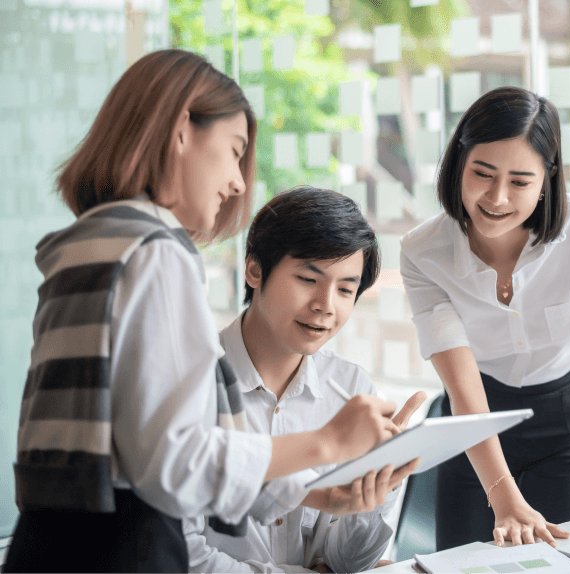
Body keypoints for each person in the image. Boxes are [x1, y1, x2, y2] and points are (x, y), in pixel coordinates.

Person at [6, 50, 400, 573]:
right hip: (126, 551)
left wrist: (317, 496)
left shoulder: (87, 246)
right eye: (235, 151)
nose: (239, 182)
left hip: (50, 544)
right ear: (182, 130)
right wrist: (327, 442)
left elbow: (131, 444)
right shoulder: (155, 252)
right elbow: (172, 464)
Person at [400, 86, 570, 551]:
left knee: (557, 558)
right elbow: (461, 382)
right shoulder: (422, 251)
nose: (497, 197)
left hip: (569, 413)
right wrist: (502, 495)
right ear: (457, 164)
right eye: (482, 174)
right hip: (477, 418)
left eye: (520, 182)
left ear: (547, 178)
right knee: (466, 563)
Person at [184, 187, 427, 573]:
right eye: (308, 279)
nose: (325, 306)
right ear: (254, 270)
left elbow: (346, 562)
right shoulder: (191, 385)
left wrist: (381, 485)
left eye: (346, 289)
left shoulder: (351, 388)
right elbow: (184, 557)